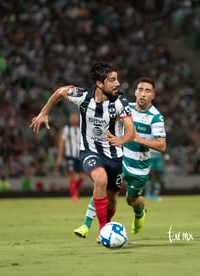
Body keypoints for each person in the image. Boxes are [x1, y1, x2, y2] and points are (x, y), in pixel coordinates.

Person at [30, 61, 135, 235]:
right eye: (112, 80)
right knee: (100, 180)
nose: (117, 83)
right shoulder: (83, 96)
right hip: (89, 150)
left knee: (112, 200)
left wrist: (122, 139)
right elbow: (60, 92)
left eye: (117, 79)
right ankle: (102, 232)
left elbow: (131, 130)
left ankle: (106, 226)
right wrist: (44, 113)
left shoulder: (120, 102)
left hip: (115, 155)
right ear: (99, 84)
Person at [73, 77, 166, 240]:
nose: (143, 94)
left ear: (153, 95)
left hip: (139, 167)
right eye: (140, 89)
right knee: (101, 183)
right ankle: (87, 225)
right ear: (135, 92)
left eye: (148, 91)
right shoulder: (124, 107)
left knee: (132, 200)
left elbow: (162, 145)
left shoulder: (156, 117)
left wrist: (137, 138)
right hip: (119, 159)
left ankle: (139, 211)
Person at [55, 112, 87, 202]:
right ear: (69, 119)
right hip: (70, 156)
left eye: (75, 117)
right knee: (72, 175)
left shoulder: (81, 129)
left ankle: (75, 190)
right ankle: (74, 195)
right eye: (72, 117)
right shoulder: (66, 129)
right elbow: (62, 143)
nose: (74, 118)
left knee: (82, 175)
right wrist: (60, 156)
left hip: (80, 156)